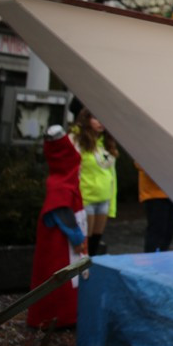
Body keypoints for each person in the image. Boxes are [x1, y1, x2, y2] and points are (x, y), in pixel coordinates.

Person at [27, 125, 86, 328]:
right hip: (61, 240)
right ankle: (58, 316)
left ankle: (64, 315)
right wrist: (77, 238)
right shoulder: (60, 182)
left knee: (67, 274)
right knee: (60, 273)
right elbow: (61, 210)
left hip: (62, 237)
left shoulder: (60, 178)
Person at [71, 108, 117, 256]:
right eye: (96, 118)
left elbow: (112, 176)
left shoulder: (107, 143)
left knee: (96, 243)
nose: (100, 122)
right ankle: (80, 275)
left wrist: (112, 205)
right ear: (87, 119)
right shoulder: (78, 140)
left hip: (104, 199)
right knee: (85, 244)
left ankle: (89, 273)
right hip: (86, 199)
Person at [138, 164, 173, 252]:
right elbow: (140, 161)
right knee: (157, 231)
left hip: (171, 192)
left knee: (169, 231)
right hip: (154, 193)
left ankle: (162, 258)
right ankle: (152, 260)